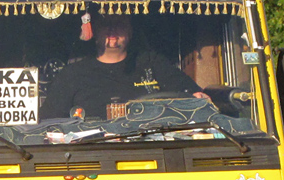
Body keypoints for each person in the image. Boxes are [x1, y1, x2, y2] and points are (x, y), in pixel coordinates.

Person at [40, 14, 209, 120]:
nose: (112, 30)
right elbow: (49, 122)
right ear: (94, 31)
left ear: (130, 30)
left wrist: (199, 99)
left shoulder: (153, 63)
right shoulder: (72, 74)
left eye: (119, 22)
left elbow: (194, 98)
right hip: (91, 155)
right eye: (106, 23)